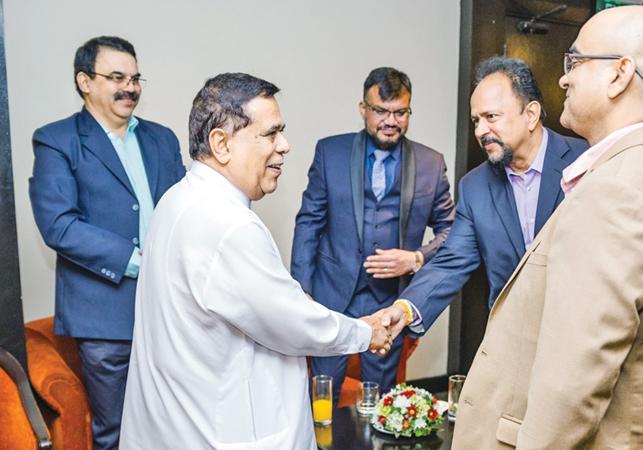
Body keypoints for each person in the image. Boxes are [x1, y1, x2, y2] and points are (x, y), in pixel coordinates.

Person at [420, 6, 643, 448]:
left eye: (575, 62)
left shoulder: (617, 193)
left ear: (619, 74)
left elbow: (571, 390)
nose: (564, 78)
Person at [119, 73, 391, 449]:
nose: (285, 145)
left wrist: (291, 302)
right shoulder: (229, 225)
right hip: (221, 431)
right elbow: (293, 324)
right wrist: (366, 332)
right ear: (221, 143)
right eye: (270, 134)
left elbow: (251, 302)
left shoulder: (176, 199)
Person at [28, 36, 185, 450]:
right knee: (117, 432)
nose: (130, 87)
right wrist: (140, 260)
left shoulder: (162, 138)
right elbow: (59, 225)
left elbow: (188, 208)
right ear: (85, 81)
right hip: (105, 320)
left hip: (171, 312)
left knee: (174, 426)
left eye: (135, 78)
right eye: (116, 77)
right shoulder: (57, 140)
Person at [376, 56, 587, 336]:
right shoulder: (475, 186)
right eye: (476, 120)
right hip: (511, 340)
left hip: (580, 334)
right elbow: (451, 261)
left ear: (531, 114)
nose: (480, 131)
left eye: (491, 117)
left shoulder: (585, 162)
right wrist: (404, 309)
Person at [290, 67, 455, 401]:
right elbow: (309, 221)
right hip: (332, 296)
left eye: (400, 112)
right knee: (322, 393)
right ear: (363, 109)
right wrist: (301, 290)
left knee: (379, 398)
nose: (390, 121)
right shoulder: (330, 153)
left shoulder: (430, 163)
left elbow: (452, 230)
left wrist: (417, 257)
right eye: (381, 111)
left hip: (387, 302)